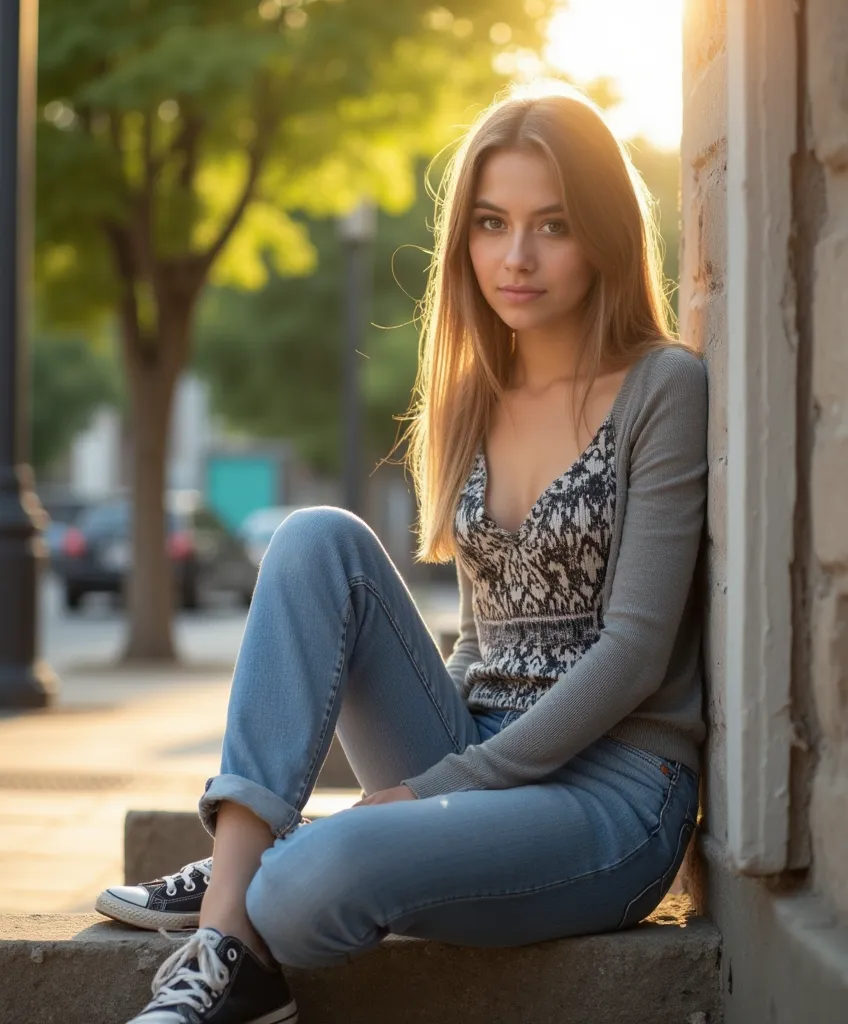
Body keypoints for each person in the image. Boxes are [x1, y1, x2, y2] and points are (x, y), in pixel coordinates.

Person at [106, 80, 708, 1024]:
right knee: (315, 538)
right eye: (491, 222)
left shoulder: (662, 388)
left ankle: (261, 871)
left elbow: (632, 654)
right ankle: (233, 938)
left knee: (311, 889)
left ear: (603, 233)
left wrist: (434, 794)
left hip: (615, 794)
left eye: (552, 225)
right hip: (474, 745)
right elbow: (481, 636)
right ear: (462, 238)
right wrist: (439, 782)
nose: (516, 256)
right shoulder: (475, 397)